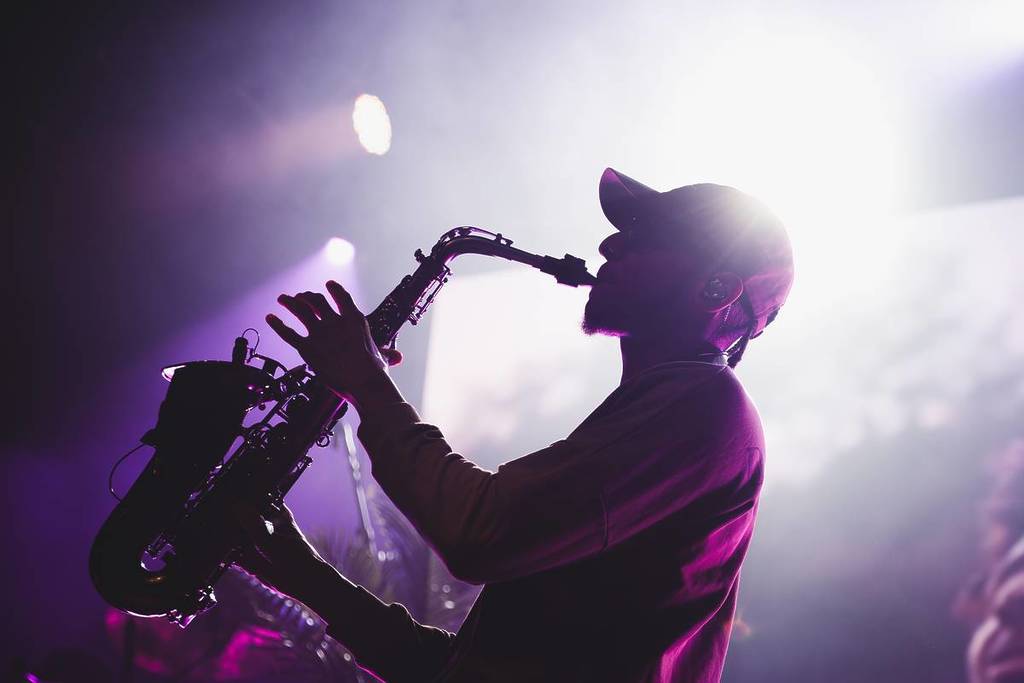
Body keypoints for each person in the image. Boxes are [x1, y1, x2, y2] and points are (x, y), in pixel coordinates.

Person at [234, 168, 795, 682]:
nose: (609, 244)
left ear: (717, 289)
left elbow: (480, 533)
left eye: (648, 237)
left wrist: (368, 386)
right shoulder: (672, 409)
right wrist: (306, 576)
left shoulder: (702, 407)